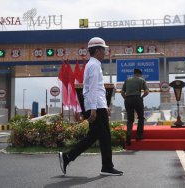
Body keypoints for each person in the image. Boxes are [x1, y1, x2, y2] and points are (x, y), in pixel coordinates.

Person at [58, 37, 123, 176]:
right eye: (104, 49)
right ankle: (106, 167)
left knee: (94, 136)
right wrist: (94, 109)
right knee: (104, 136)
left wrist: (103, 107)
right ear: (98, 50)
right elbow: (93, 88)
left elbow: (96, 89)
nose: (105, 52)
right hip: (96, 107)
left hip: (97, 105)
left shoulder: (92, 64)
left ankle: (68, 157)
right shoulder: (94, 65)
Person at [121, 69, 149, 146]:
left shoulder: (127, 80)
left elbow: (122, 92)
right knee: (140, 117)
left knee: (130, 119)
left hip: (128, 99)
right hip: (137, 99)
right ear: (140, 74)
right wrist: (141, 97)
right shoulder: (141, 80)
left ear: (134, 74)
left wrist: (126, 99)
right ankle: (138, 136)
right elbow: (146, 92)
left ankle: (128, 136)